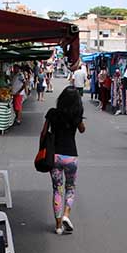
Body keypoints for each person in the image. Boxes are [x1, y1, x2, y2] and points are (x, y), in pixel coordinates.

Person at [41, 86, 85, 235]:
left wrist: (42, 147)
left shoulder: (52, 113)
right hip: (71, 156)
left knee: (57, 189)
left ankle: (58, 225)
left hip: (55, 156)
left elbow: (43, 132)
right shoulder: (76, 115)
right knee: (70, 188)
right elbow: (82, 129)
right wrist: (78, 116)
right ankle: (66, 215)